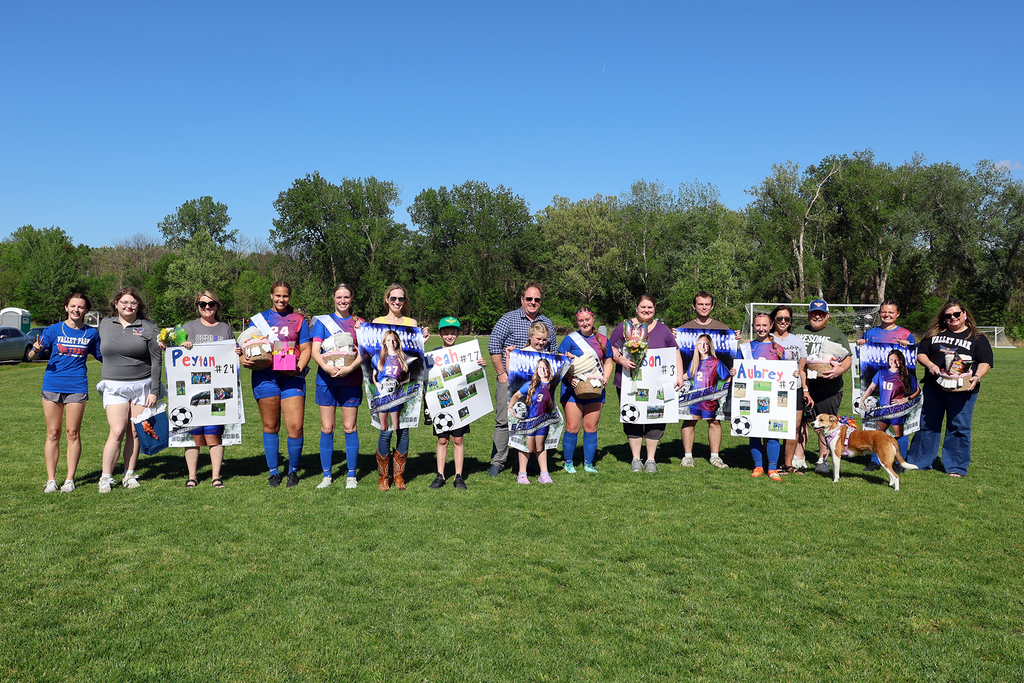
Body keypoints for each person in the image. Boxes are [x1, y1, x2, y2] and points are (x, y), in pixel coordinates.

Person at [906, 299, 993, 478]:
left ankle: (956, 466)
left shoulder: (977, 337)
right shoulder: (934, 333)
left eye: (956, 314)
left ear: (964, 314)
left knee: (958, 426)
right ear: (943, 318)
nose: (953, 318)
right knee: (927, 424)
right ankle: (919, 461)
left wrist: (977, 376)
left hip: (963, 390)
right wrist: (930, 365)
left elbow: (986, 362)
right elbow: (921, 352)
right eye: (948, 315)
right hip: (934, 387)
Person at [240, 281, 312, 488]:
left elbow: (306, 349)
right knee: (271, 425)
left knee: (295, 427)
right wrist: (242, 359)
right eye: (278, 296)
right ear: (271, 295)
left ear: (290, 297)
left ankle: (293, 472)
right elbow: (245, 345)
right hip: (265, 377)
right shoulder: (259, 319)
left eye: (285, 296)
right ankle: (273, 473)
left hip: (292, 377)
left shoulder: (299, 320)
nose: (281, 300)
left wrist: (299, 367)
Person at [28, 293, 101, 493]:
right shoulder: (52, 330)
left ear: (86, 310)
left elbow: (103, 355)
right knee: (53, 433)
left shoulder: (91, 334)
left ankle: (69, 479)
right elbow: (32, 355)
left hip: (77, 387)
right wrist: (35, 350)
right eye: (73, 306)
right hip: (52, 385)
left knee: (72, 433)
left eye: (81, 307)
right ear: (66, 307)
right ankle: (51, 480)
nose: (76, 310)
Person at [95, 287, 162, 493]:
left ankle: (129, 474)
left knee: (135, 431)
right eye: (123, 302)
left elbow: (157, 361)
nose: (128, 306)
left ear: (138, 306)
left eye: (132, 303)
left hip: (142, 386)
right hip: (114, 385)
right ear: (116, 304)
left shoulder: (149, 328)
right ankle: (106, 477)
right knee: (116, 431)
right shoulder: (105, 324)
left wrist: (154, 390)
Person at [487, 282, 556, 476]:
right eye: (529, 299)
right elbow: (494, 346)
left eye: (537, 300)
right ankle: (498, 462)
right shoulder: (508, 319)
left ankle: (525, 464)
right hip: (509, 380)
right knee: (503, 420)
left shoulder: (547, 323)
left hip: (537, 384)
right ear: (522, 299)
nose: (533, 303)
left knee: (534, 422)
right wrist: (501, 373)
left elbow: (553, 354)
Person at [610, 294, 685, 473]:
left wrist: (680, 375)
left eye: (650, 307)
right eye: (643, 307)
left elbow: (675, 352)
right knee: (632, 418)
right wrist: (621, 360)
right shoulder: (624, 327)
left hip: (657, 385)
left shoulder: (663, 329)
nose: (646, 310)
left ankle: (651, 459)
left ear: (654, 309)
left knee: (656, 418)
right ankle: (636, 459)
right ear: (636, 307)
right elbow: (611, 348)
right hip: (630, 382)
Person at [371, 283, 428, 491]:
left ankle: (399, 476)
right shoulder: (377, 323)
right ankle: (383, 476)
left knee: (403, 429)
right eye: (393, 298)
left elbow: (414, 355)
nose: (397, 302)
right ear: (386, 299)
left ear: (405, 301)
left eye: (401, 299)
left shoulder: (410, 323)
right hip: (384, 389)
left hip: (405, 386)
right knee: (385, 431)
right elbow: (373, 352)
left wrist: (422, 340)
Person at [179, 290, 236, 488]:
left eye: (211, 304)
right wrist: (181, 345)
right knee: (194, 432)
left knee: (214, 432)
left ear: (217, 306)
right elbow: (175, 353)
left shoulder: (225, 329)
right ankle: (192, 476)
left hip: (218, 388)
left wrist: (237, 351)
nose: (207, 308)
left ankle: (216, 476)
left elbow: (232, 355)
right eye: (203, 304)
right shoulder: (187, 327)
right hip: (193, 389)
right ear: (197, 306)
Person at [310, 284, 364, 489]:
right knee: (327, 428)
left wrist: (350, 369)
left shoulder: (360, 323)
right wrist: (325, 367)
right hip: (326, 380)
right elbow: (315, 350)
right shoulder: (323, 322)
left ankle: (351, 475)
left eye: (347, 297)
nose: (343, 300)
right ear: (333, 298)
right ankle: (327, 475)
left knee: (350, 428)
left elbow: (364, 352)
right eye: (339, 297)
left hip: (351, 380)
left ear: (352, 298)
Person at [679, 292, 739, 469]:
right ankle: (688, 456)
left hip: (712, 391)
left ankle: (715, 456)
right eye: (700, 304)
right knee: (690, 419)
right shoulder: (685, 329)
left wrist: (736, 340)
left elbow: (728, 367)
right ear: (694, 306)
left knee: (714, 420)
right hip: (694, 390)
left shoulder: (722, 328)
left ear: (712, 306)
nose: (703, 307)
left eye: (707, 304)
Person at [855, 299, 916, 471]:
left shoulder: (906, 333)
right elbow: (863, 357)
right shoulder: (871, 333)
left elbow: (912, 359)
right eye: (883, 311)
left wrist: (909, 346)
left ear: (897, 314)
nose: (887, 315)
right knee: (876, 426)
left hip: (898, 389)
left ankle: (899, 462)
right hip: (878, 385)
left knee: (898, 427)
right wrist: (861, 345)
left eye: (891, 312)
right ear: (879, 313)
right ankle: (875, 460)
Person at [426, 317, 485, 490]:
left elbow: (473, 374)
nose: (450, 336)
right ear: (440, 334)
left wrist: (481, 364)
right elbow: (425, 376)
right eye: (446, 333)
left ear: (458, 333)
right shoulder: (434, 354)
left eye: (453, 332)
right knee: (442, 440)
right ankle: (440, 475)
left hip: (460, 404)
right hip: (441, 404)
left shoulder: (466, 353)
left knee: (458, 439)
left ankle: (458, 476)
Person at [738, 313, 798, 481]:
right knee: (754, 431)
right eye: (758, 325)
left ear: (771, 326)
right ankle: (758, 466)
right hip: (752, 396)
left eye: (764, 325)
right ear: (753, 327)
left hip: (773, 398)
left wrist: (793, 373)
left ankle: (772, 468)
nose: (761, 329)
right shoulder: (746, 348)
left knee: (773, 432)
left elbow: (788, 371)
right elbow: (738, 369)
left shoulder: (779, 348)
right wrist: (734, 372)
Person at [796, 300, 852, 474]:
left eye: (821, 313)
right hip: (802, 385)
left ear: (827, 315)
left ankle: (823, 459)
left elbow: (847, 358)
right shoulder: (798, 332)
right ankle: (799, 458)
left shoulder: (836, 334)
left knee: (825, 424)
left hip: (829, 387)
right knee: (801, 422)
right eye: (814, 313)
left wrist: (839, 370)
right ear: (809, 314)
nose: (817, 316)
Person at [557, 306, 613, 474]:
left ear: (593, 319)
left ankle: (588, 463)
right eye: (581, 321)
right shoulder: (569, 340)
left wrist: (606, 378)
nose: (584, 323)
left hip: (596, 388)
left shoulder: (602, 339)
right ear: (577, 321)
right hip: (572, 388)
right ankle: (568, 463)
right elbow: (561, 362)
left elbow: (608, 361)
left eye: (587, 319)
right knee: (572, 426)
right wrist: (569, 378)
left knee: (591, 427)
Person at [508, 323, 559, 484]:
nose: (541, 342)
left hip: (543, 409)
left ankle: (544, 473)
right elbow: (511, 374)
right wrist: (509, 356)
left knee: (541, 440)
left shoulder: (548, 356)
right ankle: (522, 473)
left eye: (544, 339)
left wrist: (566, 360)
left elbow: (555, 377)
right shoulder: (521, 354)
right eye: (538, 339)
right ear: (530, 337)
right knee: (525, 440)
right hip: (526, 408)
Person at [768, 305, 810, 474]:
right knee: (772, 427)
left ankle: (788, 464)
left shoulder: (797, 341)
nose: (783, 321)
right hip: (772, 389)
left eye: (787, 319)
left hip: (795, 388)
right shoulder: (766, 338)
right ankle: (772, 463)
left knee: (794, 427)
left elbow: (802, 368)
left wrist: (805, 389)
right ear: (773, 320)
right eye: (779, 318)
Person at [861, 348, 920, 465]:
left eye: (897, 360)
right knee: (877, 434)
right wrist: (863, 399)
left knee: (899, 436)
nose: (894, 362)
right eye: (891, 359)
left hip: (897, 411)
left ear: (901, 361)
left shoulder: (906, 375)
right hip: (883, 411)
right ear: (888, 361)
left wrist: (906, 399)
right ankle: (875, 462)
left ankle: (899, 463)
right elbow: (872, 387)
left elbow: (918, 390)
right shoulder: (882, 373)